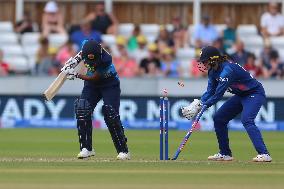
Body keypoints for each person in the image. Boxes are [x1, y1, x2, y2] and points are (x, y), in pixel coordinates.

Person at [181, 46, 272, 162]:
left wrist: (203, 106)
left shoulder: (227, 70)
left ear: (213, 59)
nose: (203, 64)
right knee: (219, 118)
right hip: (241, 95)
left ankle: (264, 154)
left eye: (205, 61)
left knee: (247, 120)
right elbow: (210, 91)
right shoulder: (212, 71)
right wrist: (199, 102)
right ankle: (225, 153)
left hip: (254, 93)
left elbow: (218, 94)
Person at [63, 39, 130, 160]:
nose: (92, 63)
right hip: (92, 87)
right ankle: (86, 148)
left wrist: (76, 74)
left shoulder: (106, 59)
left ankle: (123, 151)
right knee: (82, 108)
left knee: (110, 113)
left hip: (109, 84)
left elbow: (94, 77)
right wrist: (73, 62)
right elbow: (80, 54)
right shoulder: (85, 45)